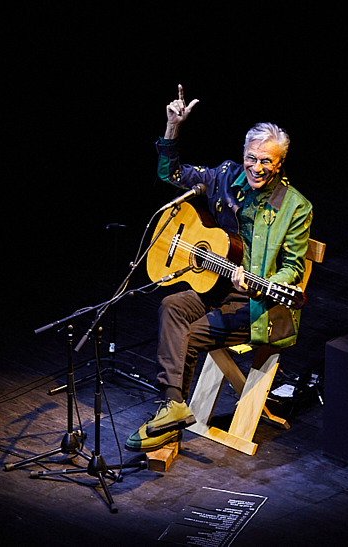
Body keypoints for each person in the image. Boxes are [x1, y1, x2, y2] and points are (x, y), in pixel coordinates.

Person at [126, 91, 313, 452]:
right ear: (243, 154)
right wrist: (172, 128)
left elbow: (292, 268)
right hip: (215, 286)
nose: (256, 167)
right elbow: (170, 174)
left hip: (257, 304)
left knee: (186, 336)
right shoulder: (225, 176)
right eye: (251, 158)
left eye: (266, 161)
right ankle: (173, 407)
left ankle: (168, 416)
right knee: (172, 306)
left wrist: (263, 284)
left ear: (280, 163)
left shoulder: (295, 207)